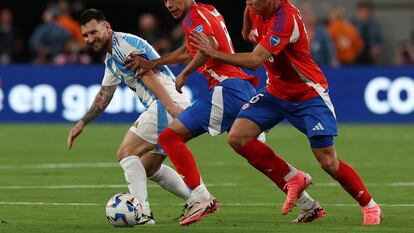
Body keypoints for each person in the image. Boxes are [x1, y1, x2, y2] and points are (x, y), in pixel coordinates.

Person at [126, 0, 325, 225]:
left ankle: (201, 198)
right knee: (250, 149)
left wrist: (186, 73)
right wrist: (155, 63)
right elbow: (187, 50)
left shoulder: (193, 16)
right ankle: (307, 201)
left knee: (170, 137)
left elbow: (208, 45)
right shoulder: (208, 10)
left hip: (227, 88)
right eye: (165, 1)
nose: (170, 4)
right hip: (241, 87)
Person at [190, 0, 382, 225]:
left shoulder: (285, 19)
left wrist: (212, 53)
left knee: (328, 162)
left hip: (308, 95)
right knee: (237, 137)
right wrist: (248, 7)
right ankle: (294, 177)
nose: (251, 3)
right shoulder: (257, 8)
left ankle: (369, 205)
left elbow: (254, 61)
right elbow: (246, 34)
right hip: (276, 92)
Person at [66, 9, 192, 225]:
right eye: (85, 35)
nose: (90, 39)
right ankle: (198, 200)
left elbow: (150, 76)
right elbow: (105, 94)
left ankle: (142, 213)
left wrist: (170, 107)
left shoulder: (124, 47)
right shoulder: (111, 57)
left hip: (165, 103)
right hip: (170, 103)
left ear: (107, 27)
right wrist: (83, 121)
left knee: (126, 153)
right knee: (147, 168)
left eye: (94, 32)